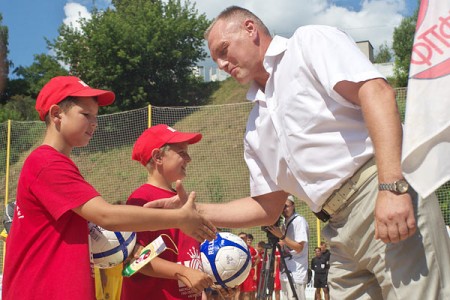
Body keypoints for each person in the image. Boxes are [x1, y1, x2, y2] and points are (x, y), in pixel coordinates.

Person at [193, 5, 450, 300]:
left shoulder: (306, 44)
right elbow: (268, 206)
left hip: (376, 190)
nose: (222, 63)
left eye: (223, 50)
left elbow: (376, 92)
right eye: (216, 59)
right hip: (337, 229)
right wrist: (196, 212)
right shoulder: (255, 125)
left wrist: (391, 186)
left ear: (250, 28)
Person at [1, 76, 216, 300]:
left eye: (96, 116)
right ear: (56, 114)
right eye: (86, 115)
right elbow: (116, 232)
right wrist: (180, 228)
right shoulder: (47, 162)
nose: (94, 123)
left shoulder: (58, 166)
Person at [121, 124, 213, 300]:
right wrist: (184, 272)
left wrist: (205, 286)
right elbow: (135, 262)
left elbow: (188, 257)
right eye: (181, 152)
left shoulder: (180, 200)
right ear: (158, 157)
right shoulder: (141, 199)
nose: (189, 159)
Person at [267, 196, 309, 300]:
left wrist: (281, 236)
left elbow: (299, 248)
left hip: (296, 273)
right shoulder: (285, 223)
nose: (284, 210)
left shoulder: (299, 221)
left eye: (286, 206)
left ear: (293, 206)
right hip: (285, 271)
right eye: (281, 207)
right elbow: (286, 243)